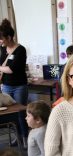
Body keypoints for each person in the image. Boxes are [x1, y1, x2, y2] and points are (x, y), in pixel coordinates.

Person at [0, 19, 28, 148]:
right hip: (6, 85)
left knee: (21, 113)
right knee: (10, 115)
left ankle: (25, 139)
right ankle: (17, 137)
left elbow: (11, 69)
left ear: (9, 37)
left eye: (2, 39)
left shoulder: (20, 50)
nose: (0, 42)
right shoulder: (3, 50)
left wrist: (1, 68)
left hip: (19, 87)